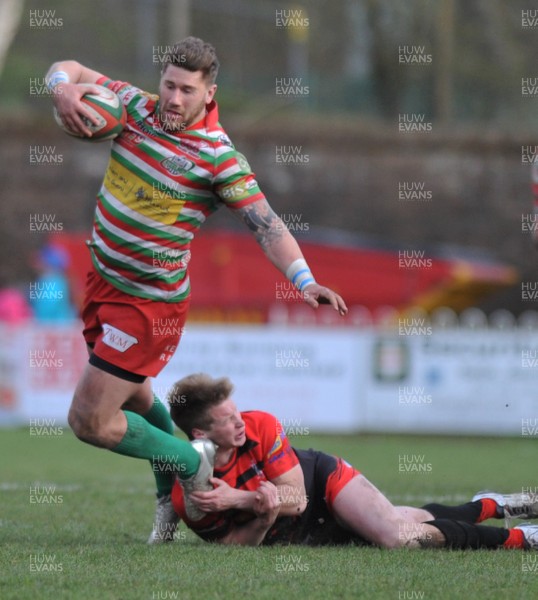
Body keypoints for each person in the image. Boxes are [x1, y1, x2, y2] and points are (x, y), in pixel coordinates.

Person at [45, 37, 347, 544]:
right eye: (168, 85)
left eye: (187, 90)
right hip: (103, 284)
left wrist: (305, 279)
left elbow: (267, 225)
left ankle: (192, 459)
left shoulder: (218, 157)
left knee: (90, 420)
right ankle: (168, 502)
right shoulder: (135, 107)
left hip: (148, 306)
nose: (173, 99)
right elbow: (68, 64)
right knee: (139, 398)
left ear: (209, 93)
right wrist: (61, 91)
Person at [168, 373, 538, 550]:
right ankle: (493, 504)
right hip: (296, 531)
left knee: (397, 537)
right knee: (412, 521)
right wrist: (263, 518)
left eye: (237, 412)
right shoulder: (190, 496)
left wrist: (240, 499)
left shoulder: (260, 425)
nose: (239, 422)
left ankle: (519, 539)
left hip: (321, 484)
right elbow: (235, 546)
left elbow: (296, 500)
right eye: (226, 419)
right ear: (200, 434)